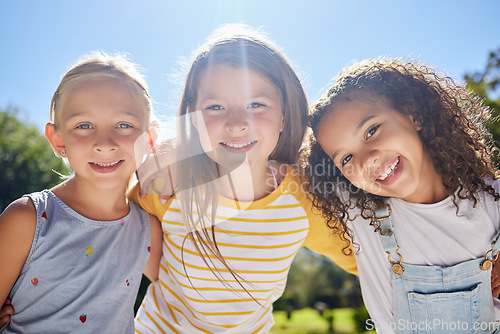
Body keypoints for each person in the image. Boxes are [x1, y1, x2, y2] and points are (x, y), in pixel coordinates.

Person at [130, 24, 357, 333]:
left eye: (256, 105)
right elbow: (114, 225)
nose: (236, 123)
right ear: (192, 116)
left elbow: (367, 262)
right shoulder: (169, 183)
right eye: (215, 107)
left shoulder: (304, 197)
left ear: (283, 115)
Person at [305, 57, 500, 333]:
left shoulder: (494, 203)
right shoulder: (358, 215)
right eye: (346, 158)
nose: (368, 160)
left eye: (371, 130)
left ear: (413, 114)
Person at [0, 52, 162, 333]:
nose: (104, 143)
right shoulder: (28, 219)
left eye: (124, 125)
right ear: (57, 140)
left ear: (148, 140)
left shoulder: (147, 228)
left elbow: (188, 288)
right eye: (84, 125)